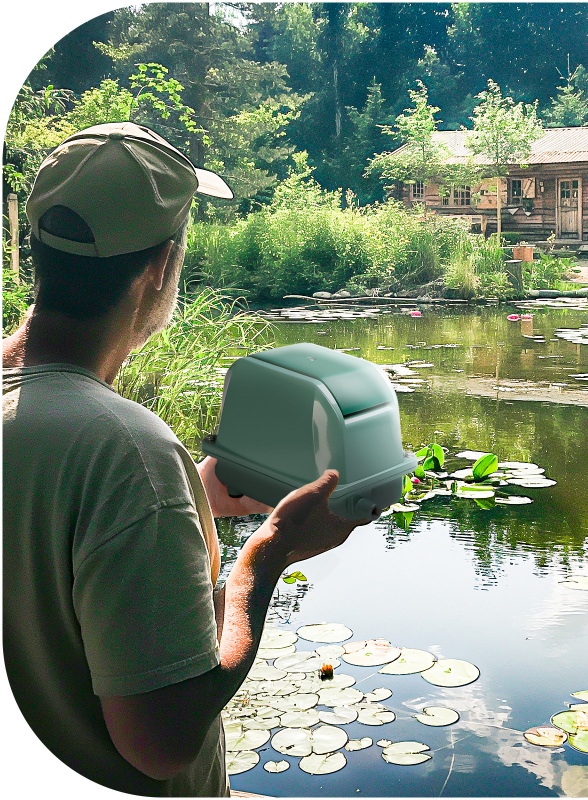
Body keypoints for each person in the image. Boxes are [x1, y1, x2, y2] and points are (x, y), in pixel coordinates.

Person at [2, 122, 369, 796]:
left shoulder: (81, 439)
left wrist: (190, 499)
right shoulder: (126, 451)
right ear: (159, 269)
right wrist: (268, 555)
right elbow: (161, 742)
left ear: (38, 251)